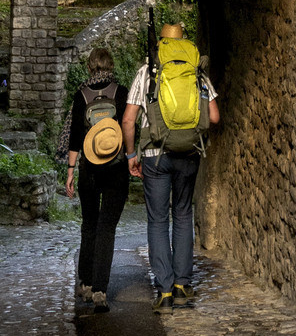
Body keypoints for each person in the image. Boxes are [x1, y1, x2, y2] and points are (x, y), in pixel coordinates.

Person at [122, 20, 220, 309]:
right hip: (188, 153)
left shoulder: (148, 71)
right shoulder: (196, 72)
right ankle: (182, 284)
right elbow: (214, 117)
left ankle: (164, 290)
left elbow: (128, 119)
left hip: (155, 155)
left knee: (158, 220)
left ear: (160, 44)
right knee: (183, 214)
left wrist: (131, 155)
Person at [60, 49, 129, 309]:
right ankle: (100, 290)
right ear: (111, 66)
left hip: (89, 168)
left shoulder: (82, 95)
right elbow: (128, 128)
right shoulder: (120, 93)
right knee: (106, 228)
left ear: (90, 67)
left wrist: (70, 171)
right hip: (116, 168)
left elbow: (75, 136)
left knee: (89, 225)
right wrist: (132, 157)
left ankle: (86, 283)